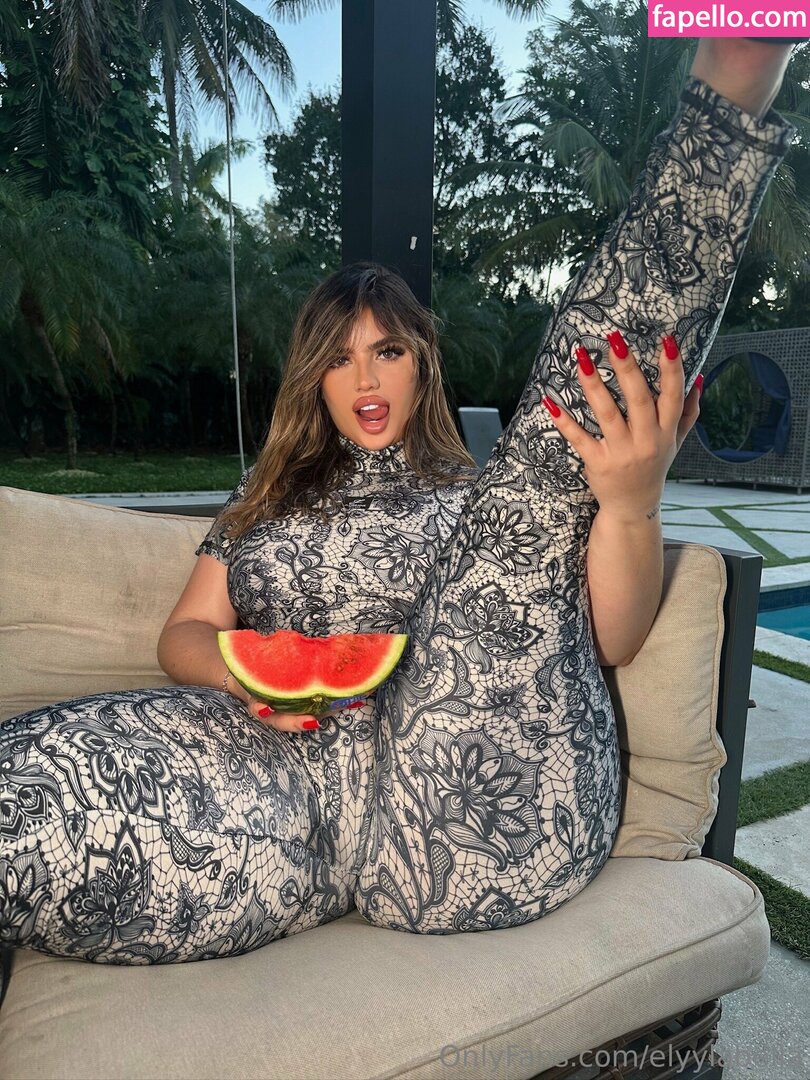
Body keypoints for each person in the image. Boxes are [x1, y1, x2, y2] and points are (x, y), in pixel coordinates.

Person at [0, 39, 796, 962]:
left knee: (533, 487)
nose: (366, 379)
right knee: (30, 790)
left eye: (388, 351)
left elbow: (611, 640)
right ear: (313, 378)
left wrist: (629, 505)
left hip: (481, 804)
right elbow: (185, 632)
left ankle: (734, 83)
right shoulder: (262, 499)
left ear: (423, 363)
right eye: (339, 358)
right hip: (296, 805)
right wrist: (245, 674)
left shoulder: (481, 499)